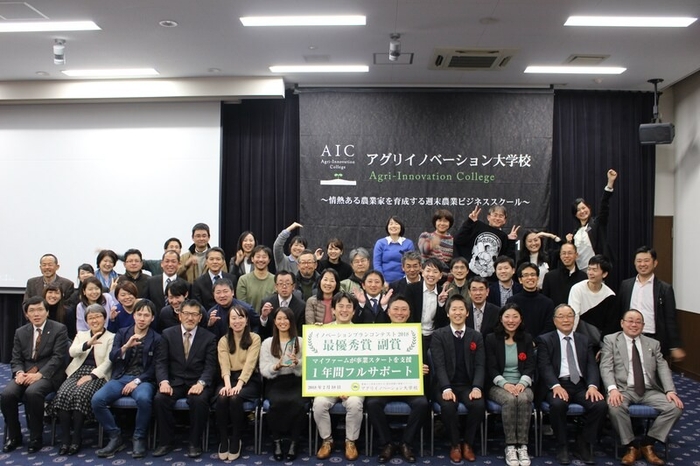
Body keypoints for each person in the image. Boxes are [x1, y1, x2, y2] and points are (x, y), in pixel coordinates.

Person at [600, 310, 684, 466]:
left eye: (638, 322)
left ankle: (648, 443)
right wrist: (612, 389)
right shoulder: (611, 340)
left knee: (675, 407)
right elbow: (606, 367)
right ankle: (631, 446)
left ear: (643, 325)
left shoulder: (653, 343)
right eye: (630, 321)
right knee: (615, 406)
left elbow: (663, 368)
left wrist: (670, 391)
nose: (634, 324)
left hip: (649, 390)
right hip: (623, 389)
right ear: (622, 323)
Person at [537, 304, 607, 465]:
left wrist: (592, 386)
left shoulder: (584, 339)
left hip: (581, 385)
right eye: (561, 316)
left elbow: (591, 365)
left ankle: (584, 442)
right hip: (557, 384)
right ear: (554, 320)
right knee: (558, 404)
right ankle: (562, 445)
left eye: (569, 316)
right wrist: (555, 385)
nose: (566, 320)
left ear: (575, 319)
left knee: (600, 405)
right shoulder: (545, 340)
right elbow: (544, 367)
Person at [92, 300, 161, 459]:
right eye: (139, 314)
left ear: (152, 318)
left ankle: (139, 437)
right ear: (133, 315)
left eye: (146, 315)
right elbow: (112, 357)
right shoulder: (122, 333)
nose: (142, 318)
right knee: (97, 400)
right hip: (121, 376)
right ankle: (115, 436)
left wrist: (136, 381)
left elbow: (155, 368)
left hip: (143, 380)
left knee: (144, 399)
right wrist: (125, 347)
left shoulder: (157, 338)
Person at [365, 295, 430, 463]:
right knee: (372, 403)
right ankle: (387, 443)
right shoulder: (378, 334)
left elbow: (423, 362)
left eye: (403, 309)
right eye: (396, 309)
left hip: (409, 386)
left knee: (422, 404)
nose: (399, 313)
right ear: (388, 312)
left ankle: (406, 443)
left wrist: (422, 368)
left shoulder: (417, 335)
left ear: (409, 313)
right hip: (385, 386)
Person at [1, 297, 69, 453]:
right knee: (7, 395)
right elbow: (16, 358)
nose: (36, 314)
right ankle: (14, 435)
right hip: (25, 373)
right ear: (26, 314)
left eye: (40, 310)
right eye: (31, 311)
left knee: (33, 392)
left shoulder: (59, 329)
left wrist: (40, 375)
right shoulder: (20, 332)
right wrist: (19, 372)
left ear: (47, 312)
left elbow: (58, 358)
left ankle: (36, 437)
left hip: (49, 374)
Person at [153, 299, 218, 458]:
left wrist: (201, 383)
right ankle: (165, 442)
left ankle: (194, 443)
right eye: (187, 314)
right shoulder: (167, 334)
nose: (190, 318)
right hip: (174, 381)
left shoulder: (209, 337)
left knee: (199, 400)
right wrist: (164, 381)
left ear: (200, 318)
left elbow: (210, 366)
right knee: (160, 399)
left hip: (197, 381)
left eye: (194, 314)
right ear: (180, 315)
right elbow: (161, 362)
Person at [50, 303, 115, 456]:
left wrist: (92, 376)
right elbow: (72, 352)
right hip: (76, 372)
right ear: (86, 321)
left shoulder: (112, 337)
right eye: (91, 318)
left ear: (104, 318)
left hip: (97, 375)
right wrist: (86, 344)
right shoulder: (81, 335)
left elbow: (109, 362)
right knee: (63, 394)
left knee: (80, 394)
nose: (94, 320)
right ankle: (66, 439)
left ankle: (76, 438)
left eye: (98, 317)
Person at [430, 294, 486, 463]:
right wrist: (446, 388)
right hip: (445, 384)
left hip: (468, 385)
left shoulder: (476, 336)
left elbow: (480, 365)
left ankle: (468, 444)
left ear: (467, 313)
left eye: (461, 309)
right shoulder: (439, 335)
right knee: (448, 406)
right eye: (454, 309)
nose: (458, 312)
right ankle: (455, 444)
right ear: (448, 313)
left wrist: (477, 387)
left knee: (478, 404)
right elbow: (439, 365)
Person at [313, 291, 363, 461]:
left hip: (354, 384)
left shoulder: (363, 333)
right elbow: (317, 364)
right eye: (340, 306)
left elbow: (365, 365)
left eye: (349, 307)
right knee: (319, 403)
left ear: (354, 311)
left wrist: (348, 386)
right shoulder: (322, 331)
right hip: (329, 383)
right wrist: (314, 334)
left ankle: (350, 441)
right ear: (333, 310)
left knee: (355, 403)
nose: (344, 310)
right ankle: (327, 440)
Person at [485, 303, 536, 466]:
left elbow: (530, 365)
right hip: (498, 384)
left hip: (522, 384)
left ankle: (523, 446)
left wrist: (522, 383)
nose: (511, 320)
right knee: (510, 399)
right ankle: (510, 445)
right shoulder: (491, 339)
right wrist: (505, 384)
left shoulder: (526, 338)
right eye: (507, 316)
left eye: (515, 317)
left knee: (523, 399)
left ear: (521, 319)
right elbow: (491, 367)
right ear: (501, 319)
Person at [618, 246, 685, 361]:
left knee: (654, 370)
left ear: (655, 263)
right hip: (629, 337)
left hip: (653, 338)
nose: (642, 264)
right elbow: (619, 312)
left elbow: (670, 318)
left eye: (646, 260)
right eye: (639, 261)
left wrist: (674, 345)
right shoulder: (626, 285)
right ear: (634, 263)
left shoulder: (665, 289)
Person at [215, 305, 262, 461]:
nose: (237, 321)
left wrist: (239, 385)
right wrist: (228, 385)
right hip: (228, 377)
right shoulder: (223, 340)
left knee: (235, 397)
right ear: (229, 322)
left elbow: (250, 364)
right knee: (222, 397)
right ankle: (223, 439)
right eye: (233, 318)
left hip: (249, 380)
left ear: (247, 320)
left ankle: (236, 439)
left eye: (241, 317)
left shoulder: (255, 338)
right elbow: (224, 364)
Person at [259, 308, 305, 462]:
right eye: (279, 318)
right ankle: (276, 441)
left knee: (298, 403)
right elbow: (263, 369)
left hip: (296, 380)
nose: (282, 322)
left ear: (291, 321)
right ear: (274, 321)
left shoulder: (300, 341)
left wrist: (297, 363)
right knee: (276, 403)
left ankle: (294, 442)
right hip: (275, 382)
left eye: (286, 319)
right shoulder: (267, 343)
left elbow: (309, 366)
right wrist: (276, 366)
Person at [566, 169, 618, 271]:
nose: (582, 211)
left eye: (583, 208)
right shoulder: (576, 232)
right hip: (579, 271)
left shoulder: (597, 223)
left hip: (596, 269)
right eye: (578, 210)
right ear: (575, 214)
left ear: (589, 208)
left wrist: (610, 183)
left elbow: (604, 205)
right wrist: (569, 242)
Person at [454, 205, 518, 279]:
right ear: (488, 217)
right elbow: (458, 240)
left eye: (501, 216)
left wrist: (511, 241)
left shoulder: (504, 236)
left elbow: (508, 259)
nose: (497, 218)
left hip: (491, 279)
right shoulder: (478, 226)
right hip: (470, 276)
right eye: (495, 215)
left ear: (504, 220)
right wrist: (469, 221)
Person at [567, 255, 618, 345]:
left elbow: (610, 326)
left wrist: (604, 346)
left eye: (594, 270)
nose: (590, 273)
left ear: (604, 274)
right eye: (589, 269)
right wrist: (571, 338)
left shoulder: (610, 295)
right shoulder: (577, 289)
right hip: (579, 338)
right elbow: (574, 315)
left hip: (599, 340)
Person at [405, 257, 449, 350]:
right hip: (413, 334)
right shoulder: (411, 289)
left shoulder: (443, 292)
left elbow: (443, 321)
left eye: (435, 272)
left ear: (440, 275)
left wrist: (441, 304)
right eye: (428, 271)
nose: (431, 275)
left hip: (434, 336)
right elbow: (408, 314)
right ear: (422, 272)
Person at [506, 262, 555, 339]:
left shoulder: (548, 302)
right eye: (526, 275)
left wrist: (537, 341)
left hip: (542, 343)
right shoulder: (512, 301)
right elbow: (510, 323)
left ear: (538, 278)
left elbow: (549, 326)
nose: (530, 278)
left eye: (533, 275)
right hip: (519, 341)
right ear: (520, 280)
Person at [260, 271, 306, 339]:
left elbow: (300, 331)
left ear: (293, 286)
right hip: (271, 340)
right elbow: (262, 330)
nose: (284, 287)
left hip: (293, 341)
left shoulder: (301, 306)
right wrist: (264, 317)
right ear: (276, 287)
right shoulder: (267, 302)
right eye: (281, 284)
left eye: (287, 283)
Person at [373, 215, 416, 283]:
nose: (393, 226)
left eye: (396, 224)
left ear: (401, 227)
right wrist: (382, 281)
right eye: (391, 224)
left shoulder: (408, 243)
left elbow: (412, 263)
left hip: (404, 281)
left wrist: (405, 281)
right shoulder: (380, 243)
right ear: (387, 227)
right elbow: (377, 264)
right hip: (384, 282)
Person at [236, 245, 276, 313]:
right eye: (258, 257)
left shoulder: (275, 280)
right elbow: (242, 305)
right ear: (252, 259)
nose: (261, 260)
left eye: (264, 257)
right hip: (249, 318)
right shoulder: (243, 280)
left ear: (269, 260)